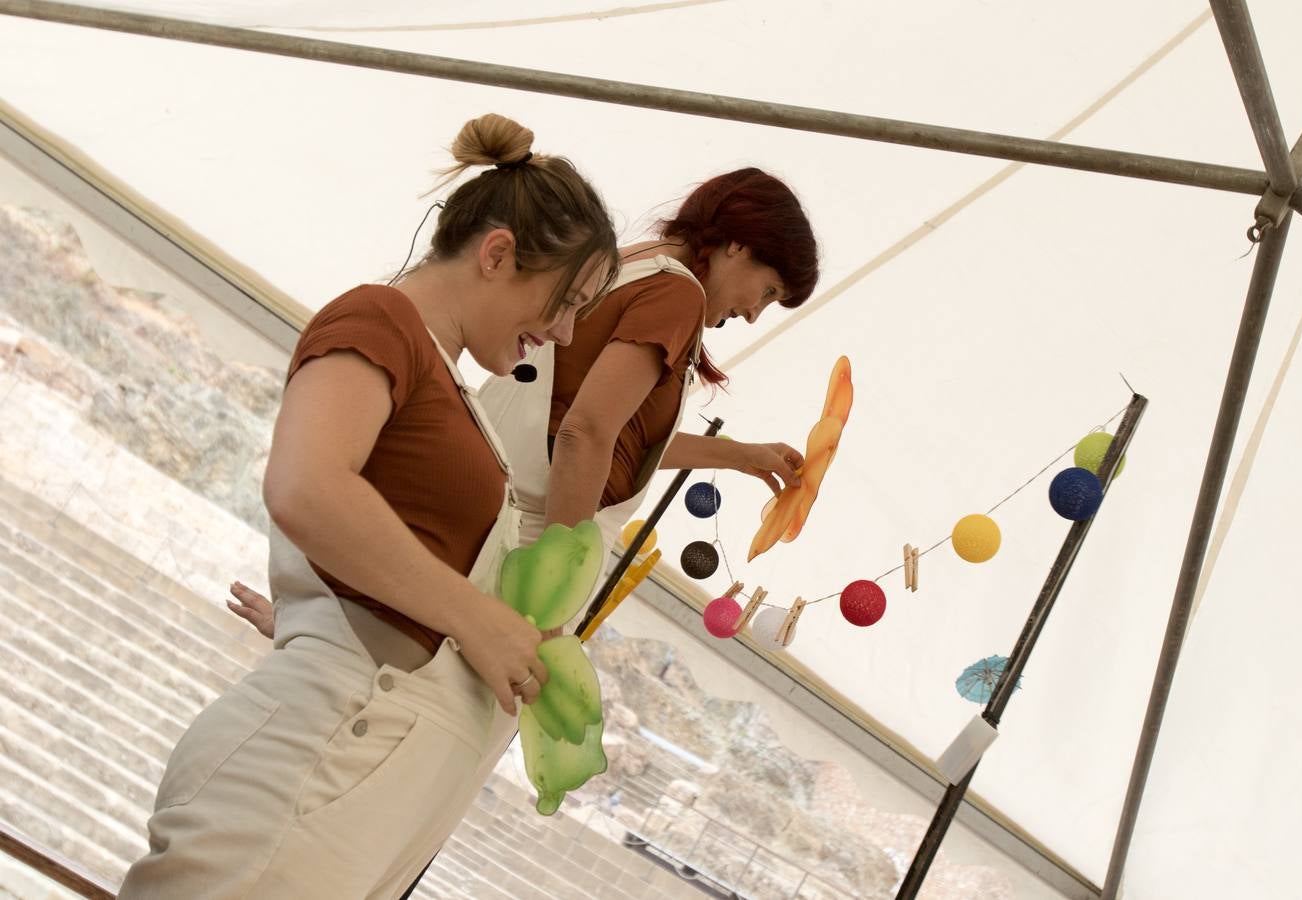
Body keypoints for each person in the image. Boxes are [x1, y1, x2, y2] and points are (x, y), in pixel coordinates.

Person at [119, 113, 619, 899]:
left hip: (357, 779)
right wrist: (472, 616)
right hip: (315, 764)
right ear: (498, 255)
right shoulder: (380, 321)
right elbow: (307, 486)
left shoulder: (461, 396)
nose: (558, 335)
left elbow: (382, 538)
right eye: (565, 303)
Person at [229, 166, 821, 639]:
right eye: (766, 291)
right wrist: (553, 594)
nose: (752, 313)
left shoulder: (632, 263)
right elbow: (584, 435)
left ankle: (318, 627)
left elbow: (600, 431)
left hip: (491, 508)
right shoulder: (677, 294)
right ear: (738, 245)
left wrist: (740, 456)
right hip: (529, 540)